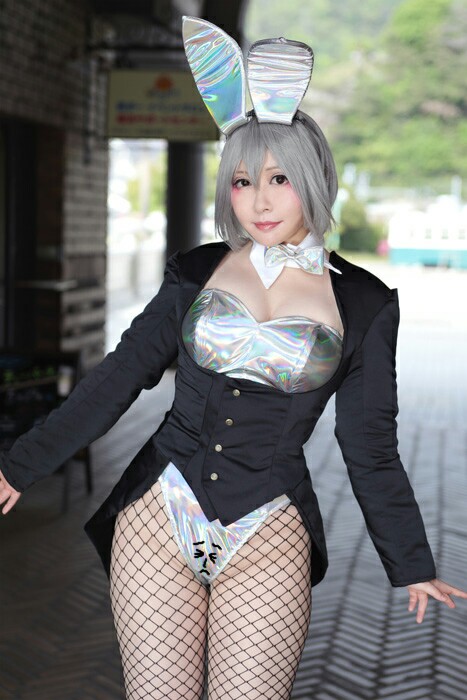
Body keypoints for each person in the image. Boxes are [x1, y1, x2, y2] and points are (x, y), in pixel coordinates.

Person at [1, 15, 467, 700]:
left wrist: (410, 561)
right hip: (158, 512)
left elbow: (368, 446)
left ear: (314, 177)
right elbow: (120, 377)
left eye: (278, 178)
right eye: (242, 182)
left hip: (269, 527)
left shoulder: (366, 303)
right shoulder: (194, 272)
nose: (258, 201)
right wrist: (21, 463)